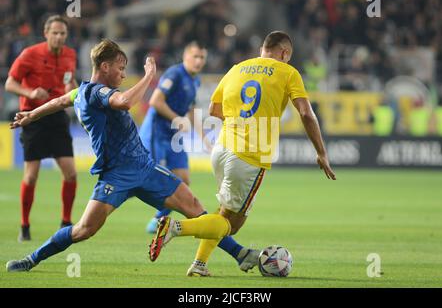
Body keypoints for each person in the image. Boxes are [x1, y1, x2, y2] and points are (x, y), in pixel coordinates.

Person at [5, 39, 255, 275]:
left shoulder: (79, 93)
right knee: (83, 230)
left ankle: (240, 253)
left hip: (145, 168)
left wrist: (32, 114)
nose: (124, 74)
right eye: (121, 68)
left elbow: (59, 101)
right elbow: (124, 102)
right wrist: (148, 76)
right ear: (104, 67)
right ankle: (31, 259)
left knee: (195, 208)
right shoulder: (98, 93)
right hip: (117, 175)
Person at [150, 31, 336, 276]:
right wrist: (321, 152)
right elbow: (305, 113)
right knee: (231, 224)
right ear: (285, 53)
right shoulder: (288, 72)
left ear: (262, 49)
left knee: (223, 212)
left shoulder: (238, 69)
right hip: (249, 157)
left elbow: (214, 110)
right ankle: (175, 227)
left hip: (222, 149)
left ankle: (199, 264)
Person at [5, 15, 78, 242]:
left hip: (57, 116)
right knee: (31, 176)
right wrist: (30, 93)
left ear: (66, 35)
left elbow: (70, 82)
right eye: (54, 32)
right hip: (33, 118)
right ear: (46, 33)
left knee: (71, 173)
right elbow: (9, 83)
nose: (58, 37)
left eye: (62, 33)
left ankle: (66, 223)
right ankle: (24, 226)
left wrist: (73, 88)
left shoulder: (70, 55)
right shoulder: (29, 54)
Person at [139, 41, 212, 234]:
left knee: (184, 180)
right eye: (195, 56)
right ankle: (113, 196)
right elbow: (155, 101)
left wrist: (205, 139)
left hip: (173, 136)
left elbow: (192, 111)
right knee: (148, 179)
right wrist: (177, 119)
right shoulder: (175, 74)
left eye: (202, 57)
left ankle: (157, 220)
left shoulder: (195, 80)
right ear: (185, 56)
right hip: (156, 132)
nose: (198, 61)